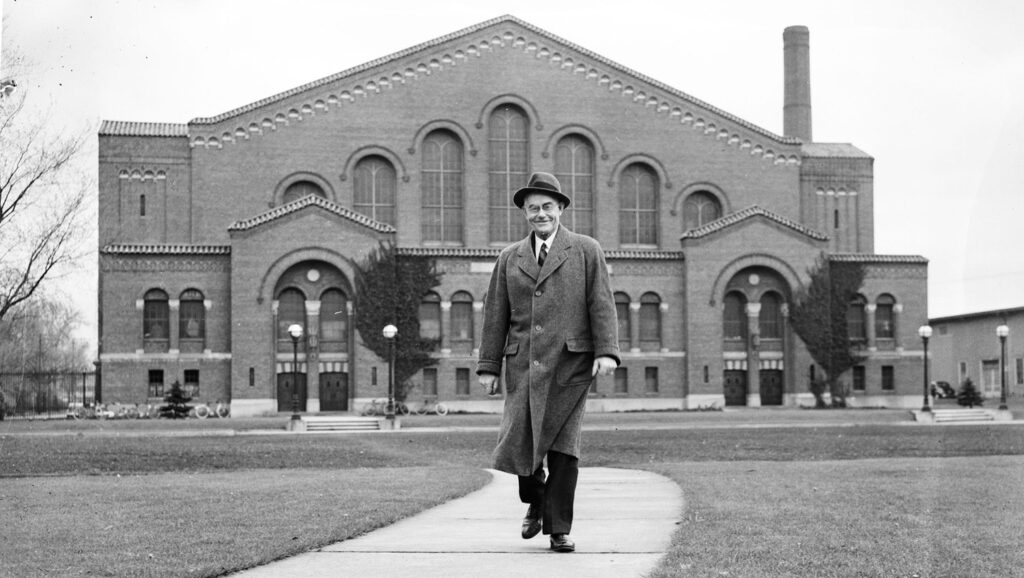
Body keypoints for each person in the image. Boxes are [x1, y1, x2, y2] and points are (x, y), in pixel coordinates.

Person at [477, 172, 620, 553]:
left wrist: (606, 351)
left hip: (570, 365)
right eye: (533, 208)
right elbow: (495, 315)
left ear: (560, 209)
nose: (540, 214)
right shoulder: (509, 258)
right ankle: (536, 502)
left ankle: (558, 529)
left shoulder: (587, 250)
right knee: (521, 443)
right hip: (523, 365)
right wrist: (489, 366)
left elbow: (601, 304)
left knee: (563, 448)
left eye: (547, 207)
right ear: (525, 213)